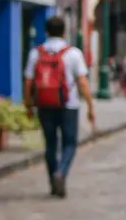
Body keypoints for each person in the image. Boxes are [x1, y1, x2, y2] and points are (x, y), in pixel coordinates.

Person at [24, 15, 95, 197]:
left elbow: (28, 82)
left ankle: (52, 182)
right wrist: (90, 106)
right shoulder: (73, 53)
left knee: (50, 144)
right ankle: (61, 172)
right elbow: (82, 82)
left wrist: (28, 105)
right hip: (68, 104)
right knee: (69, 143)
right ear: (64, 32)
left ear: (46, 32)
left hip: (44, 104)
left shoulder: (36, 53)